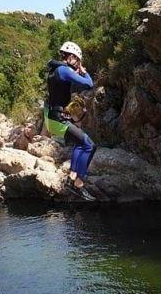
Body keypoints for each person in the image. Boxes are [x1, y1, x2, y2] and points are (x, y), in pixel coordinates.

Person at [44, 41, 97, 201]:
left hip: (52, 117)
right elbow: (89, 84)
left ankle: (72, 177)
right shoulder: (63, 70)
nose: (77, 65)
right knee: (89, 145)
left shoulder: (54, 70)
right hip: (57, 119)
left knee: (79, 143)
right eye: (77, 61)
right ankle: (79, 184)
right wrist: (83, 72)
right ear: (73, 57)